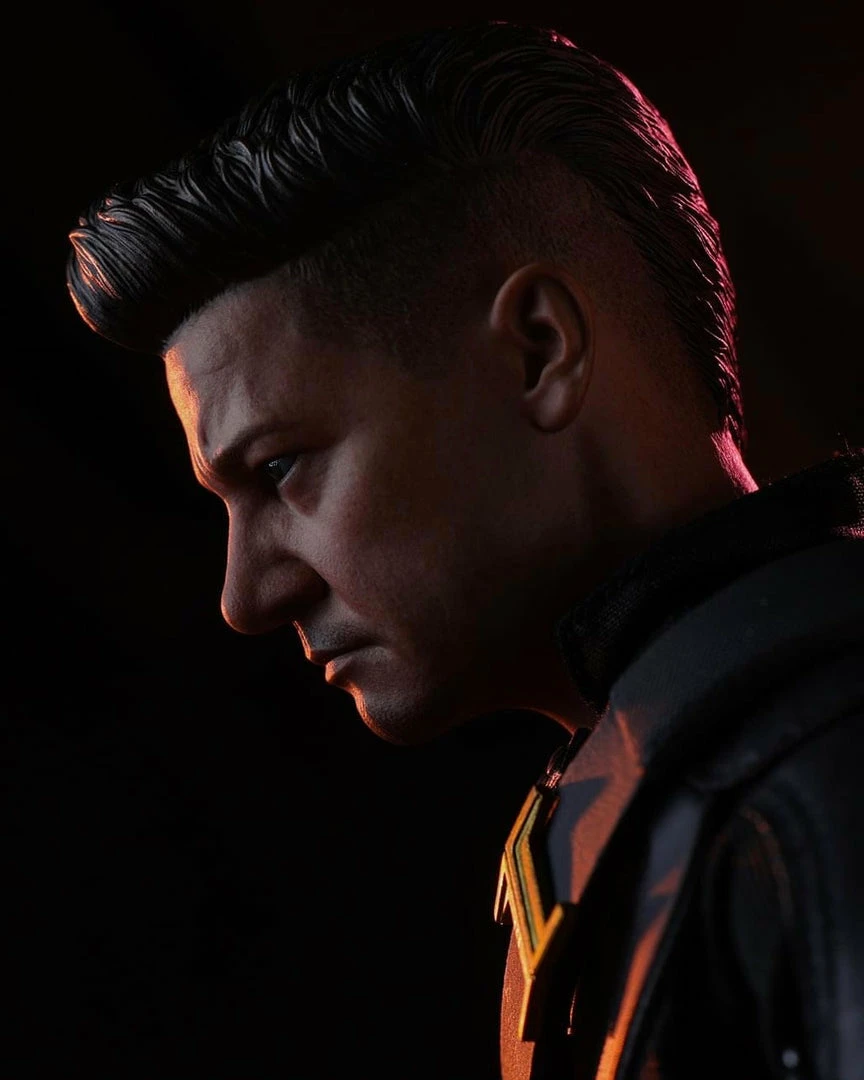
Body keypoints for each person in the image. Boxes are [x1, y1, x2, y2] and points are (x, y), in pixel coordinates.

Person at [67, 20, 864, 1079]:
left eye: (281, 468)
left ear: (538, 348)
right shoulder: (666, 789)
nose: (244, 594)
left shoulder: (813, 779)